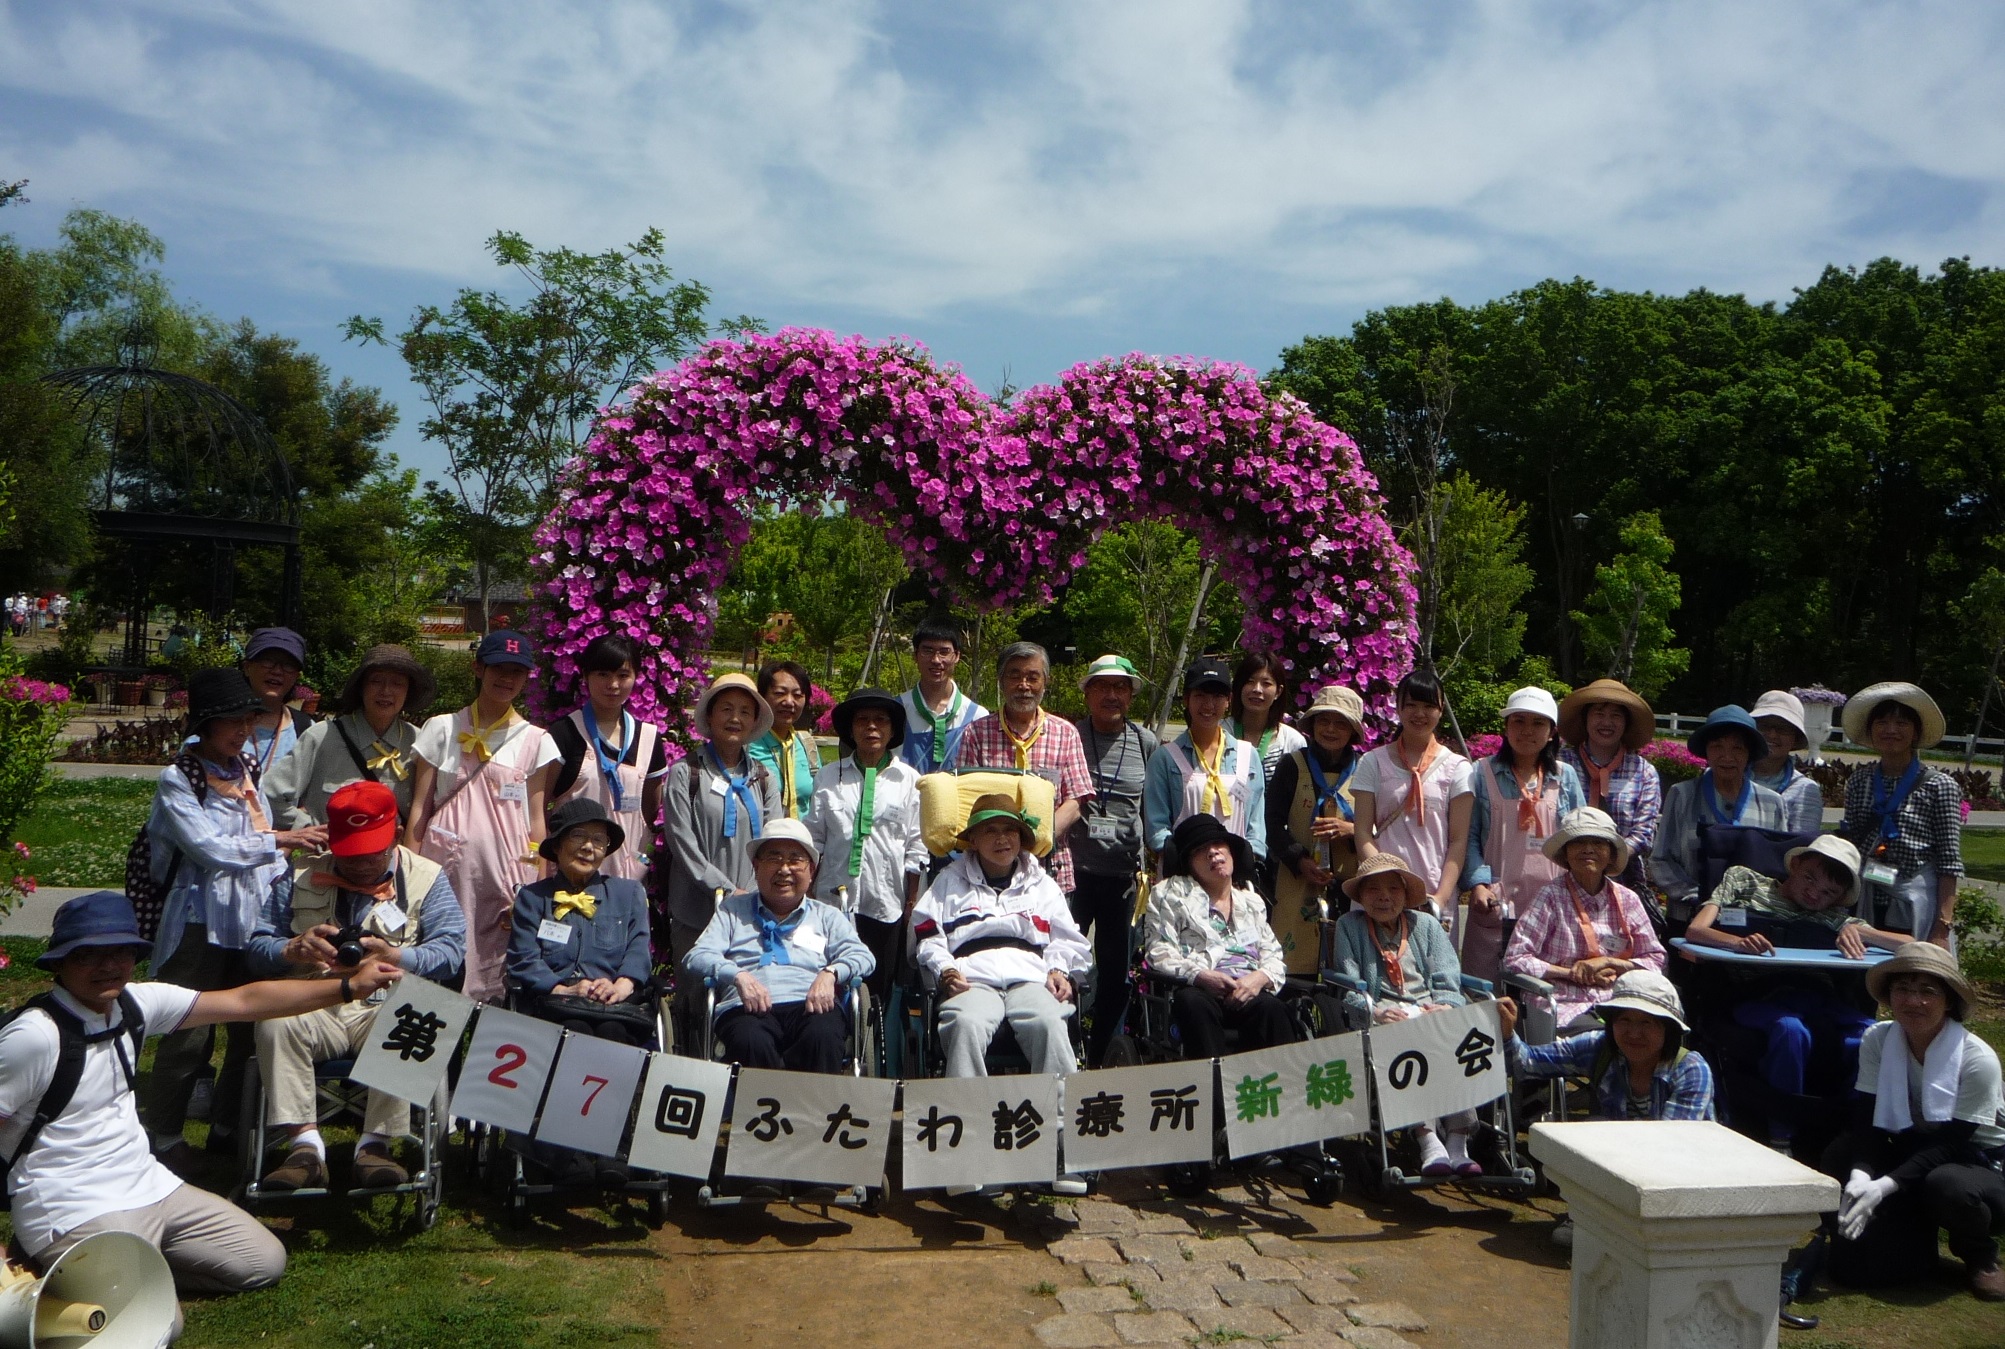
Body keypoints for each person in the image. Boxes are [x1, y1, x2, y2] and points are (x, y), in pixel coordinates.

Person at [0, 891, 401, 1332]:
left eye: (120, 952)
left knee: (262, 1262)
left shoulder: (135, 1004)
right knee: (160, 1328)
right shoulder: (32, 1038)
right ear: (59, 963)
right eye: (88, 956)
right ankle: (57, 1264)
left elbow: (244, 1002)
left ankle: (125, 1271)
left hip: (148, 1184)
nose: (108, 966)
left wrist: (347, 987)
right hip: (70, 1205)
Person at [142, 668, 327, 1173]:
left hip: (250, 920)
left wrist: (286, 881)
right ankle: (161, 1138)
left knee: (249, 1029)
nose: (243, 729)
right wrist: (282, 842)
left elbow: (259, 831)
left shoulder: (243, 767)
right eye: (231, 720)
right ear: (204, 723)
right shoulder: (179, 778)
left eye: (247, 718)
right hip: (198, 921)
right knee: (188, 1033)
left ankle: (231, 1127)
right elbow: (209, 849)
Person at [248, 781, 466, 1191]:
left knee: (418, 1019)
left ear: (396, 835)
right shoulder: (297, 876)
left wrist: (397, 956)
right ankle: (305, 1147)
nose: (362, 864)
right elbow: (257, 945)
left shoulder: (428, 878)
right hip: (315, 1001)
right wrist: (291, 949)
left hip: (387, 1003)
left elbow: (453, 951)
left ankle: (375, 1145)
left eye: (372, 852)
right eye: (350, 854)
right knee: (274, 1024)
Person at [1684, 835, 1907, 1151]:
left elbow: (1913, 946)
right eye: (1809, 878)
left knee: (1873, 1034)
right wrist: (1736, 942)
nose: (1815, 893)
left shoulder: (1835, 918)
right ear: (1796, 864)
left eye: (1829, 892)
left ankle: (1850, 1128)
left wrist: (1860, 931)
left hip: (1816, 997)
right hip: (1753, 994)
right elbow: (1695, 930)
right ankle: (1781, 1136)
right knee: (1790, 1030)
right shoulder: (1744, 880)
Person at [1815, 943, 2004, 1300]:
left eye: (1927, 992)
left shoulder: (1979, 1060)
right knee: (1841, 1154)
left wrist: (1885, 1185)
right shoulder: (1878, 1039)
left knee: (1948, 1185)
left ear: (1949, 1001)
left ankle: (1981, 1257)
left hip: (1980, 1159)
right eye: (1903, 989)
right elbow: (1868, 1118)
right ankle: (1857, 1234)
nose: (1912, 1001)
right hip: (1912, 1142)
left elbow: (1955, 1142)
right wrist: (1860, 1173)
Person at [1499, 969, 1716, 1248]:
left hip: (1679, 1177)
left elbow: (1670, 1149)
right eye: (1624, 1020)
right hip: (1621, 1165)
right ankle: (1591, 1216)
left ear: (1668, 1029)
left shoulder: (1691, 1070)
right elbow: (1528, 1064)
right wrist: (1507, 1032)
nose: (1633, 1033)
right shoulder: (1599, 1047)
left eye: (1647, 1023)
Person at [404, 629, 558, 1003]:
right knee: (437, 945)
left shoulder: (537, 740)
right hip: (444, 864)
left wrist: (538, 879)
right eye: (497, 668)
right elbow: (420, 807)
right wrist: (409, 871)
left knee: (495, 959)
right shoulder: (442, 728)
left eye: (516, 672)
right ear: (477, 668)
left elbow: (536, 817)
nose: (506, 679)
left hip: (505, 867)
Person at [914, 794, 1090, 1078]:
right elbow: (926, 933)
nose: (1002, 839)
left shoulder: (1042, 884)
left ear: (1020, 837)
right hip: (972, 979)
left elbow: (1067, 937)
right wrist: (944, 969)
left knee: (1050, 1022)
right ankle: (966, 1117)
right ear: (973, 840)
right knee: (965, 1023)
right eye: (990, 831)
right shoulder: (948, 880)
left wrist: (1060, 969)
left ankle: (1060, 1115)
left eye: (1009, 830)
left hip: (1031, 978)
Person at [1330, 852, 1480, 1177]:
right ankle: (1428, 1140)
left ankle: (1458, 1141)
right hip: (1383, 1016)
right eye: (1374, 889)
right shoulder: (1348, 927)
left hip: (1429, 1008)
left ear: (1405, 894)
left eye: (1393, 889)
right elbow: (1349, 986)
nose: (1384, 897)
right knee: (1411, 1040)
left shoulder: (1425, 925)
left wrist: (1447, 1005)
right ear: (1362, 896)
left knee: (1457, 1034)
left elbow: (1447, 975)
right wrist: (1378, 1011)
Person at [684, 820, 875, 1074]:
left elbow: (863, 956)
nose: (784, 869)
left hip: (810, 1004)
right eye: (774, 859)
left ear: (811, 871)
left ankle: (817, 1114)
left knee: (823, 1035)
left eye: (795, 859)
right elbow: (696, 956)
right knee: (750, 1039)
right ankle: (756, 1113)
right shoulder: (732, 911)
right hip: (746, 1007)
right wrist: (737, 975)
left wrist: (831, 974)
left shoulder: (827, 916)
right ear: (756, 866)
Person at [658, 672, 785, 973]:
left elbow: (774, 840)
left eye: (744, 711)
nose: (735, 718)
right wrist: (724, 890)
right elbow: (681, 842)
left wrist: (754, 893)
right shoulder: (685, 773)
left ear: (754, 721)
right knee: (698, 1002)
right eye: (726, 709)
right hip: (697, 914)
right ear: (711, 715)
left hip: (753, 912)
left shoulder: (763, 777)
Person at [806, 687, 926, 1002]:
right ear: (851, 728)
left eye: (880, 720)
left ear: (892, 729)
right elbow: (814, 837)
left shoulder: (909, 780)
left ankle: (872, 1048)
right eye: (862, 720)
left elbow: (916, 845)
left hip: (886, 901)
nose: (871, 727)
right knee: (829, 982)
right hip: (833, 900)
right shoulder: (830, 776)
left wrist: (912, 901)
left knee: (878, 992)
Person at [947, 641, 1095, 896]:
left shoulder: (1065, 733)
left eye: (1032, 677)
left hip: (1051, 870)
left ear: (1045, 681)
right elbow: (965, 800)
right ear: (1001, 681)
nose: (1023, 685)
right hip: (988, 873)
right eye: (1014, 675)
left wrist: (1036, 838)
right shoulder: (977, 733)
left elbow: (1076, 800)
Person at [1068, 655, 1159, 1065]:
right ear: (1086, 692)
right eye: (1102, 686)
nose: (1111, 695)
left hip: (1124, 876)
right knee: (1065, 963)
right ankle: (1067, 1045)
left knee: (1116, 970)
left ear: (1131, 695)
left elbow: (1151, 809)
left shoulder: (1145, 743)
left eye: (1120, 687)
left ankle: (1105, 1054)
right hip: (1073, 873)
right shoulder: (1070, 737)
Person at [1144, 813, 1296, 1058]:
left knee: (1274, 1009)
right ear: (1189, 864)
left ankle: (1286, 1091)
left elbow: (1273, 954)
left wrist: (1259, 978)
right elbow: (1159, 950)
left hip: (1247, 989)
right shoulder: (1169, 894)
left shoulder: (1251, 901)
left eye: (1219, 845)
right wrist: (1200, 976)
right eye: (1202, 850)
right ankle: (1214, 1090)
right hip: (1201, 987)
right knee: (1192, 1004)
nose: (1214, 853)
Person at [1462, 687, 1585, 983]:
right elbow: (1469, 837)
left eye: (1538, 723)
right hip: (1497, 904)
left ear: (1552, 732)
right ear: (1506, 727)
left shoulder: (1565, 776)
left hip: (1554, 906)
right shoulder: (1481, 773)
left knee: (1544, 993)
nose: (1527, 731)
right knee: (1490, 997)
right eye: (1518, 721)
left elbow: (1581, 837)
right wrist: (1479, 885)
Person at [1503, 807, 1666, 1028]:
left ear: (1610, 854)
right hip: (1564, 1002)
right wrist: (1572, 973)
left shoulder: (1628, 900)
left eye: (1598, 843)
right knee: (1600, 1036)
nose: (1588, 849)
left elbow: (1655, 959)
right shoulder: (1550, 896)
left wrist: (1611, 963)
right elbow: (1515, 959)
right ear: (1566, 853)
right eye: (1578, 842)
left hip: (1619, 1001)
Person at [1350, 669, 1474, 945]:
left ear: (1441, 710)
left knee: (1433, 978)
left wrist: (1440, 898)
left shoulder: (1457, 768)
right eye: (1412, 705)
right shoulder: (1373, 762)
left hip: (1432, 894)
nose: (1420, 713)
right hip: (1379, 894)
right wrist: (1383, 882)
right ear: (1398, 707)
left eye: (1429, 706)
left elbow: (1458, 840)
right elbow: (1362, 833)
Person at [1836, 682, 1965, 947]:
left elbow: (1949, 861)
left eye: (1902, 723)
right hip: (1866, 898)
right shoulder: (1860, 781)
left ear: (1916, 732)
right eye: (1882, 722)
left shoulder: (1939, 786)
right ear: (1871, 730)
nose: (1891, 730)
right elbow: (1852, 847)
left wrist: (1942, 928)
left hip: (1915, 899)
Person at [265, 643, 435, 829]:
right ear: (361, 687)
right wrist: (308, 828)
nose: (386, 691)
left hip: (392, 856)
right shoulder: (322, 737)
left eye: (397, 683)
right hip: (329, 855)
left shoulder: (420, 743)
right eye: (376, 681)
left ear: (408, 691)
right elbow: (267, 796)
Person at [546, 634, 668, 883]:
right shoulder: (565, 732)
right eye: (602, 674)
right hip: (569, 875)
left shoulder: (648, 737)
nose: (613, 684)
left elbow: (651, 807)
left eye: (623, 675)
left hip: (626, 878)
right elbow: (540, 804)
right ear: (585, 677)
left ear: (636, 677)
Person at [1648, 706, 1787, 916]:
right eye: (1717, 747)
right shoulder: (1682, 794)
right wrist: (1698, 897)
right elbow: (1660, 859)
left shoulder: (1772, 803)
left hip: (1753, 920)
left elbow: (1780, 867)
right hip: (1689, 914)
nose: (1727, 756)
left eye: (1737, 748)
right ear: (1706, 751)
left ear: (1749, 754)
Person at [1266, 685, 1365, 973]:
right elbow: (1271, 822)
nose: (1330, 730)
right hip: (1297, 878)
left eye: (1340, 723)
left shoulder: (1365, 770)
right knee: (1293, 967)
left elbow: (1377, 824)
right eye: (1324, 721)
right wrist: (1298, 858)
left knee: (1346, 969)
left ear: (1352, 731)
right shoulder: (1292, 765)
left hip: (1349, 885)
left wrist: (1350, 829)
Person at [1143, 656, 1268, 866]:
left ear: (1229, 700)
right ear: (1186, 699)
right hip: (1183, 874)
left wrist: (1243, 859)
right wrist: (1191, 859)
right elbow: (1156, 828)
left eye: (1217, 696)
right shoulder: (1164, 758)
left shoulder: (1248, 756)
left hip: (1233, 875)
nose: (1209, 705)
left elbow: (1256, 822)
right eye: (1200, 695)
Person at [1557, 678, 1662, 891]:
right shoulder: (1560, 763)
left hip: (1623, 880)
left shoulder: (1643, 771)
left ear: (1626, 723)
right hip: (1563, 875)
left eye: (1616, 715)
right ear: (1585, 719)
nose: (1607, 722)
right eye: (1599, 714)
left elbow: (1644, 832)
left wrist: (1609, 861)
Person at [898, 621, 988, 776]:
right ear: (915, 656)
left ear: (957, 656)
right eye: (928, 651)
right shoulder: (896, 710)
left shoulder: (977, 717)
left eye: (944, 652)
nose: (936, 660)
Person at [235, 627, 314, 777]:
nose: (277, 671)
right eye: (268, 661)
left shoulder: (307, 731)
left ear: (297, 676)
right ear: (247, 667)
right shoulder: (216, 725)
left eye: (288, 665)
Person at [749, 659, 822, 820]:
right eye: (780, 693)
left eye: (797, 695)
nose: (789, 702)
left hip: (802, 841)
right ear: (762, 697)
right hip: (758, 841)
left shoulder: (807, 746)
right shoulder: (747, 745)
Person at [1749, 690, 1826, 834]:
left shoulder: (1804, 790)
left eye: (1782, 729)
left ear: (1795, 738)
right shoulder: (1731, 775)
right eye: (1764, 726)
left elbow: (1800, 847)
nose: (1772, 734)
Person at [1227, 651, 1306, 781]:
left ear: (1278, 691)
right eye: (1249, 681)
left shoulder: (1293, 742)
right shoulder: (1222, 732)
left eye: (1266, 683)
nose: (1257, 689)